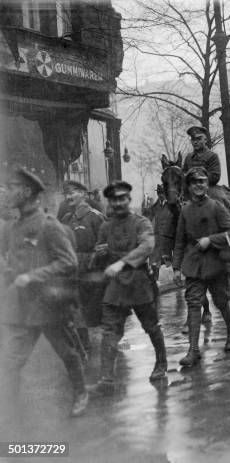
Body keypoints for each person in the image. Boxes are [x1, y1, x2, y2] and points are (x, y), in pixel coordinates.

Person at [0, 168, 88, 418]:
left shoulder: (49, 226)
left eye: (14, 187)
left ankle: (81, 392)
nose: (8, 192)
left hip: (50, 304)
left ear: (27, 192)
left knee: (68, 354)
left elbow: (69, 262)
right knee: (11, 360)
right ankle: (10, 413)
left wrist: (32, 276)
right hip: (22, 307)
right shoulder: (13, 227)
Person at [89, 180, 167, 395]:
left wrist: (122, 262)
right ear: (110, 202)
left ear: (129, 199)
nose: (119, 202)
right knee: (110, 330)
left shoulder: (141, 223)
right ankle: (106, 379)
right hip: (116, 287)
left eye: (122, 198)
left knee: (151, 326)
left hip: (139, 281)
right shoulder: (105, 226)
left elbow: (147, 247)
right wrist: (100, 254)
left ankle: (161, 363)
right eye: (115, 199)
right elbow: (100, 256)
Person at [173, 167, 230, 366]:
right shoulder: (185, 210)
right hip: (193, 264)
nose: (199, 186)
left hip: (215, 262)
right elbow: (179, 241)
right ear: (189, 187)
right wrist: (176, 267)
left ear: (207, 184)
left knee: (221, 300)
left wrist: (210, 240)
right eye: (194, 183)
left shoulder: (217, 206)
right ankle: (193, 350)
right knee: (193, 304)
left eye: (202, 181)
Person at [59, 180, 106, 346]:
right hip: (73, 272)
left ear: (84, 194)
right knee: (75, 309)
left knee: (95, 312)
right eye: (66, 194)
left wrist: (95, 257)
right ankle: (83, 345)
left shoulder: (96, 217)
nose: (68, 196)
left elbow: (105, 244)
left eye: (72, 192)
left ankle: (104, 354)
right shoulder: (65, 219)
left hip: (93, 273)